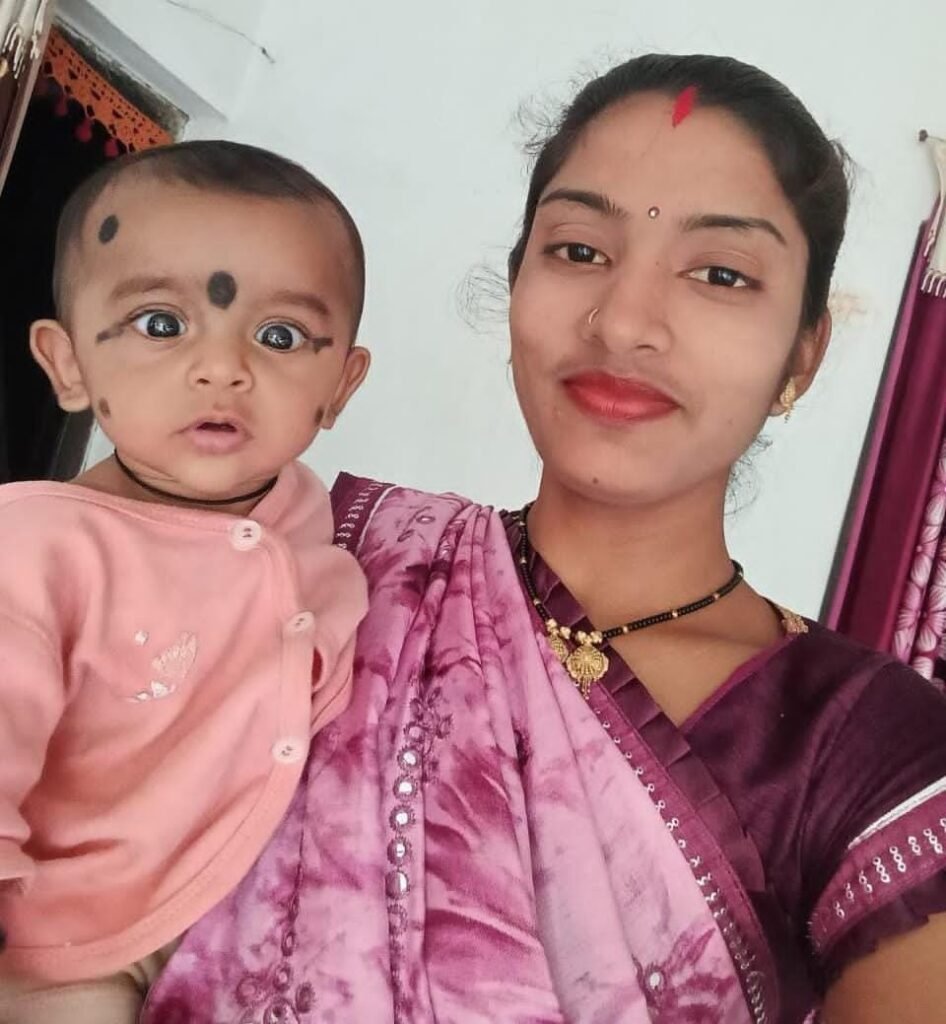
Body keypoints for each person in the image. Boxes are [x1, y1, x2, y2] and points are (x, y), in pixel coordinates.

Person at [145, 56, 946, 1023]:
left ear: (802, 357)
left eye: (720, 273)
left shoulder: (871, 751)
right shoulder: (326, 563)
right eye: (578, 250)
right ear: (517, 281)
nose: (624, 322)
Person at [0, 140, 371, 1023]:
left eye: (280, 337)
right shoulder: (36, 549)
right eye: (162, 325)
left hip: (251, 929)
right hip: (67, 949)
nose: (222, 368)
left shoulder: (313, 520)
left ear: (339, 386)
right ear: (68, 365)